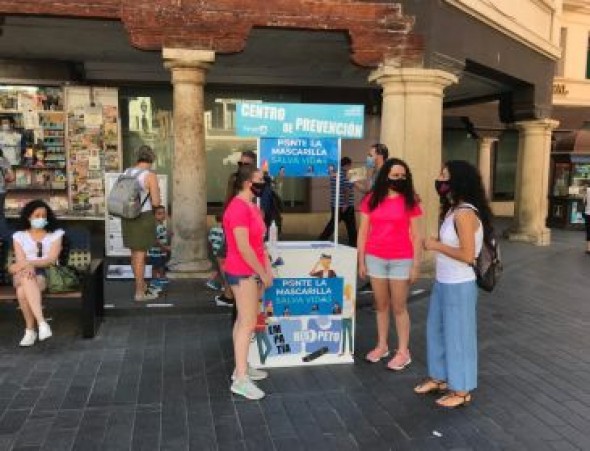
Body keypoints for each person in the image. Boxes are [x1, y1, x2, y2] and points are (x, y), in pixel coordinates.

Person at [417, 160, 493, 408]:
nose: (439, 179)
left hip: (460, 285)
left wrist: (435, 245)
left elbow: (467, 255)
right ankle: (439, 377)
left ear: (458, 180)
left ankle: (461, 390)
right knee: (436, 331)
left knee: (458, 336)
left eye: (444, 175)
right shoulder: (452, 210)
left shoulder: (464, 213)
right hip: (443, 281)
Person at [358, 157, 422, 370]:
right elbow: (363, 232)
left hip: (401, 260)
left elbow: (416, 235)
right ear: (385, 175)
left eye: (403, 176)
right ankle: (382, 345)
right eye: (395, 175)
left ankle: (403, 351)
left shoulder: (410, 200)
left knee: (399, 307)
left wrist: (415, 265)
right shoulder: (371, 199)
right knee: (381, 305)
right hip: (375, 258)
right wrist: (361, 261)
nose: (399, 179)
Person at [223, 164, 273, 400]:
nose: (264, 182)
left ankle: (240, 368)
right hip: (242, 272)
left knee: (244, 320)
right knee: (248, 322)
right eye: (260, 179)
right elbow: (243, 247)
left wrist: (266, 269)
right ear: (247, 183)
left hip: (249, 271)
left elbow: (258, 244)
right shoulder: (238, 209)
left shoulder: (251, 206)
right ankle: (241, 379)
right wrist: (262, 273)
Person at [9, 199, 63, 346]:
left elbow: (51, 259)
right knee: (26, 277)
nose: (41, 219)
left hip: (47, 271)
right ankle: (42, 323)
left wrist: (30, 263)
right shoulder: (19, 236)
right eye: (37, 215)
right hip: (23, 271)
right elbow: (20, 261)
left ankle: (30, 331)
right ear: (28, 217)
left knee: (21, 292)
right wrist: (27, 266)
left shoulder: (55, 234)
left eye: (44, 216)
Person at [216, 150, 258, 308]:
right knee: (225, 257)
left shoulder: (251, 182)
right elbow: (229, 200)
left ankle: (230, 294)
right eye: (240, 163)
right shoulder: (235, 179)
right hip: (233, 224)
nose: (241, 166)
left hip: (241, 226)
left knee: (229, 257)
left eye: (245, 164)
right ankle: (230, 292)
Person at [121, 145, 162, 301]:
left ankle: (141, 285)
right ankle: (139, 291)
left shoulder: (126, 172)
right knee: (140, 255)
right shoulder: (149, 175)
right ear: (151, 158)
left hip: (127, 216)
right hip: (142, 217)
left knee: (134, 253)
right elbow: (156, 201)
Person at [358, 143, 390, 294]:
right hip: (373, 215)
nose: (368, 158)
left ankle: (382, 286)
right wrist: (355, 183)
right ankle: (374, 281)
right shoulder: (374, 172)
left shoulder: (387, 172)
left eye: (371, 155)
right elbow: (368, 191)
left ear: (380, 155)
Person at [318, 157, 357, 246]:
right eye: (350, 165)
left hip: (335, 204)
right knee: (351, 228)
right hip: (346, 205)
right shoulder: (347, 174)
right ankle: (353, 245)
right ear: (347, 165)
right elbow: (346, 189)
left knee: (332, 224)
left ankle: (321, 240)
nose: (351, 167)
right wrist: (346, 204)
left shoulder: (334, 174)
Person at [147, 205, 171, 292]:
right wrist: (164, 247)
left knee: (162, 264)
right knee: (156, 266)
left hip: (161, 251)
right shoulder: (156, 226)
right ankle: (154, 281)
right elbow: (154, 240)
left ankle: (161, 277)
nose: (163, 215)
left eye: (164, 213)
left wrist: (169, 234)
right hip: (155, 251)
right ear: (154, 215)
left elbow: (161, 236)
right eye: (159, 214)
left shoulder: (161, 225)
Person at [206, 214, 225, 293]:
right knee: (221, 269)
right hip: (221, 252)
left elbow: (210, 240)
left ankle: (211, 281)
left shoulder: (213, 229)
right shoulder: (224, 230)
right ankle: (224, 285)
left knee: (217, 268)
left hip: (214, 251)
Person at [0, 148, 15, 240]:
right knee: (0, 216)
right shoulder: (4, 160)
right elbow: (12, 177)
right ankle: (6, 240)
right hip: (1, 191)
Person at [584, 186, 590, 254]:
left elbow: (584, 201)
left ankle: (588, 248)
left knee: (588, 230)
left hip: (588, 213)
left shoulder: (587, 190)